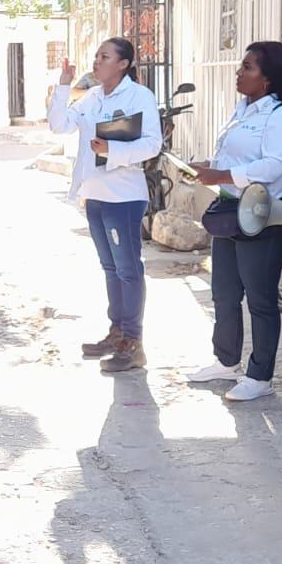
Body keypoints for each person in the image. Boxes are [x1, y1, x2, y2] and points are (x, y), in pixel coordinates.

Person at [185, 43, 282, 402]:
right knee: (224, 293)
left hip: (263, 216)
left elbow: (272, 166)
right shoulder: (242, 109)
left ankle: (260, 376)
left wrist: (222, 174)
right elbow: (234, 157)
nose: (239, 73)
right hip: (230, 211)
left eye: (248, 67)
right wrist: (209, 167)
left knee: (260, 299)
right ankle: (226, 361)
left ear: (268, 78)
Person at [47, 37, 164, 374]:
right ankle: (117, 332)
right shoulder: (92, 96)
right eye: (97, 56)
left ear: (123, 64)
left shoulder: (139, 96)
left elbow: (152, 144)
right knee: (110, 268)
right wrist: (64, 85)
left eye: (104, 56)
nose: (97, 61)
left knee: (128, 269)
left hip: (123, 195)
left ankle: (134, 341)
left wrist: (112, 149)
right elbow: (59, 125)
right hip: (95, 193)